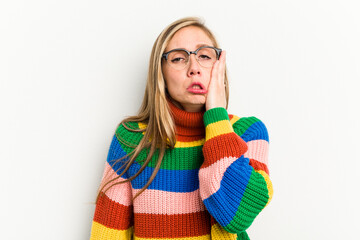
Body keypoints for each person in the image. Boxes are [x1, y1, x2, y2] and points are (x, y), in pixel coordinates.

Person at [89, 17, 273, 240]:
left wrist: (216, 116)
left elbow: (235, 215)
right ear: (161, 73)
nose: (194, 68)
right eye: (178, 58)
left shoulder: (247, 132)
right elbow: (107, 233)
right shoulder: (131, 138)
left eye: (204, 56)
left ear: (219, 67)